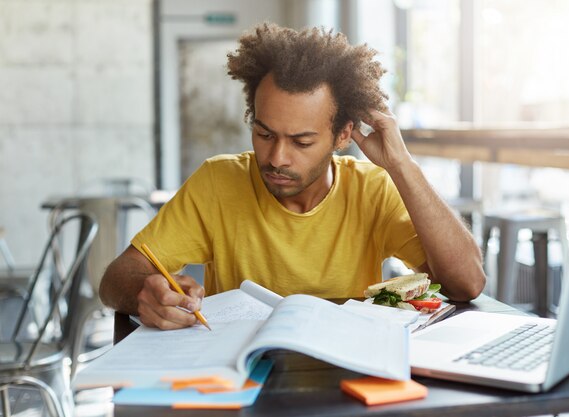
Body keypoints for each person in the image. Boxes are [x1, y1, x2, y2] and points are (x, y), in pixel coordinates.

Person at [99, 23, 486, 330]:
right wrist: (143, 293)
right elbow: (116, 278)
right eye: (265, 134)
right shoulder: (218, 182)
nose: (277, 158)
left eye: (301, 142)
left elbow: (466, 284)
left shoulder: (372, 189)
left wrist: (402, 166)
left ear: (343, 135)